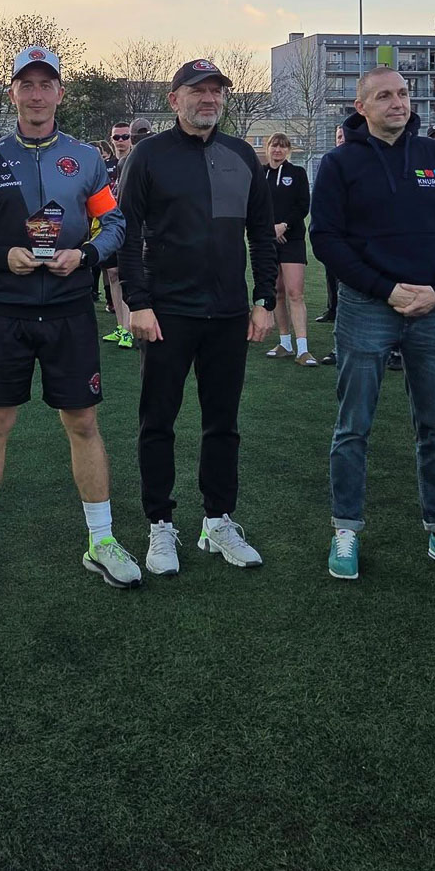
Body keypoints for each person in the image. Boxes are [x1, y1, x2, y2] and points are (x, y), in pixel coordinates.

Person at [0, 46, 139, 593]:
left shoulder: (86, 159)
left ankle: (102, 541)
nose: (36, 94)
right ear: (13, 93)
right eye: (26, 84)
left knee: (83, 423)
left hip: (70, 310)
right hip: (6, 311)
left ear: (60, 94)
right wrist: (2, 257)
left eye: (46, 84)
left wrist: (87, 255)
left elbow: (114, 224)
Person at [310, 68, 435, 582]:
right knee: (352, 428)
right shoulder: (340, 164)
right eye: (384, 95)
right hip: (367, 308)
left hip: (433, 310)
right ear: (361, 107)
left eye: (403, 93)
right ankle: (346, 528)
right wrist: (384, 288)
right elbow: (327, 239)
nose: (397, 103)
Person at [117, 58, 277, 577]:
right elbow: (127, 232)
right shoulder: (148, 155)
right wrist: (138, 302)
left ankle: (218, 520)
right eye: (197, 90)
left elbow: (261, 232)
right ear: (174, 99)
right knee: (157, 422)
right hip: (167, 314)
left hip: (229, 314)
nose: (209, 99)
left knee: (223, 423)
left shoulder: (242, 155)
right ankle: (160, 523)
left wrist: (264, 298)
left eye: (216, 91)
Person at [262, 132, 314, 365]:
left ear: (288, 150)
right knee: (277, 292)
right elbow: (255, 205)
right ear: (268, 148)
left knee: (295, 292)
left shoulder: (297, 173)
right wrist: (270, 229)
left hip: (292, 239)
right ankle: (285, 343)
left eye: (283, 146)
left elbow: (303, 205)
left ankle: (303, 349)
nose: (278, 150)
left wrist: (284, 226)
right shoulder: (260, 173)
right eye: (274, 145)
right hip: (268, 240)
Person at [101, 119, 135, 349]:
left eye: (125, 136)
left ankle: (131, 328)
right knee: (112, 274)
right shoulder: (106, 165)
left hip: (133, 227)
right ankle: (121, 326)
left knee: (128, 276)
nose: (121, 141)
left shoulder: (137, 161)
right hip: (110, 226)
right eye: (116, 137)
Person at [316, 125, 346, 329]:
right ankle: (332, 309)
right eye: (338, 136)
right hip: (333, 229)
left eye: (344, 135)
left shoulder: (358, 161)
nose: (341, 139)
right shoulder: (330, 162)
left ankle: (344, 312)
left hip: (351, 232)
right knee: (331, 272)